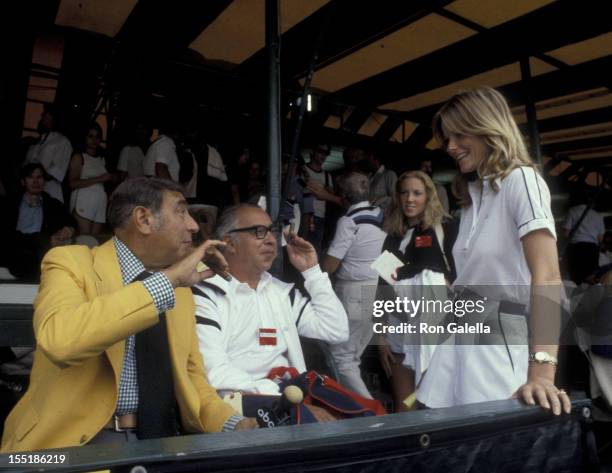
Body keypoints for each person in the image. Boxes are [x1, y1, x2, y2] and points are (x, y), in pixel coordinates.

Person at [1, 178, 256, 453]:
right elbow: (60, 340)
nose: (194, 225)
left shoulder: (179, 290)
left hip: (161, 442)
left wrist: (232, 423)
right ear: (144, 219)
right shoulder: (69, 262)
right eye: (181, 211)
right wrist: (164, 283)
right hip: (66, 450)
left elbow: (193, 381)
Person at [420, 87, 570, 415]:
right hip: (459, 342)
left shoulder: (523, 181)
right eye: (447, 139)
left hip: (498, 349)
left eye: (459, 134)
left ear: (488, 126)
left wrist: (543, 374)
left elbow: (548, 275)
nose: (451, 146)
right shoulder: (474, 195)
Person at [193, 204, 349, 419]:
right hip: (237, 408)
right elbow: (215, 373)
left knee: (365, 417)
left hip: (291, 396)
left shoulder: (280, 292)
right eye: (259, 232)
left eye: (272, 231)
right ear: (229, 243)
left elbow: (336, 330)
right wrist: (281, 398)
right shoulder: (205, 294)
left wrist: (312, 271)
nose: (270, 240)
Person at [376, 171, 456, 412]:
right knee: (405, 404)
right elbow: (383, 286)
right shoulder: (392, 236)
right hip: (398, 323)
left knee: (434, 401)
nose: (410, 199)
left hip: (433, 324)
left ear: (428, 196)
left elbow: (463, 276)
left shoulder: (444, 229)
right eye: (404, 193)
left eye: (417, 193)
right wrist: (380, 335)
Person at [322, 173, 386, 399]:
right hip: (377, 288)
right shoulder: (382, 215)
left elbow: (330, 265)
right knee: (353, 357)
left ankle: (368, 411)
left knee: (342, 358)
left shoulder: (348, 222)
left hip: (353, 292)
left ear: (343, 196)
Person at [1, 163, 76, 281]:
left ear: (44, 181)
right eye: (31, 177)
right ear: (23, 182)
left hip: (42, 250)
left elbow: (72, 221)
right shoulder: (10, 203)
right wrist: (40, 240)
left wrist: (69, 229)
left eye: (39, 177)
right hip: (17, 248)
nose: (35, 181)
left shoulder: (53, 204)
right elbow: (6, 234)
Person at [68, 122, 113, 236]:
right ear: (84, 137)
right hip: (83, 200)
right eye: (90, 136)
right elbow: (72, 183)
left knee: (94, 242)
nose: (94, 140)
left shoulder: (102, 158)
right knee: (84, 239)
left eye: (97, 136)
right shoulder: (79, 156)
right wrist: (99, 179)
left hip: (100, 203)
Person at [23, 103, 73, 202]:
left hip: (50, 194)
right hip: (29, 194)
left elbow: (57, 171)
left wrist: (32, 179)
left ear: (54, 117)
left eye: (46, 113)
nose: (42, 115)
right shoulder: (36, 142)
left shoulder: (63, 141)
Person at [562, 193, 605, 284]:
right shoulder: (598, 215)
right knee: (591, 278)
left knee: (577, 278)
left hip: (577, 249)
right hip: (592, 250)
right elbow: (600, 238)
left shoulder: (572, 211)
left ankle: (577, 296)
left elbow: (566, 233)